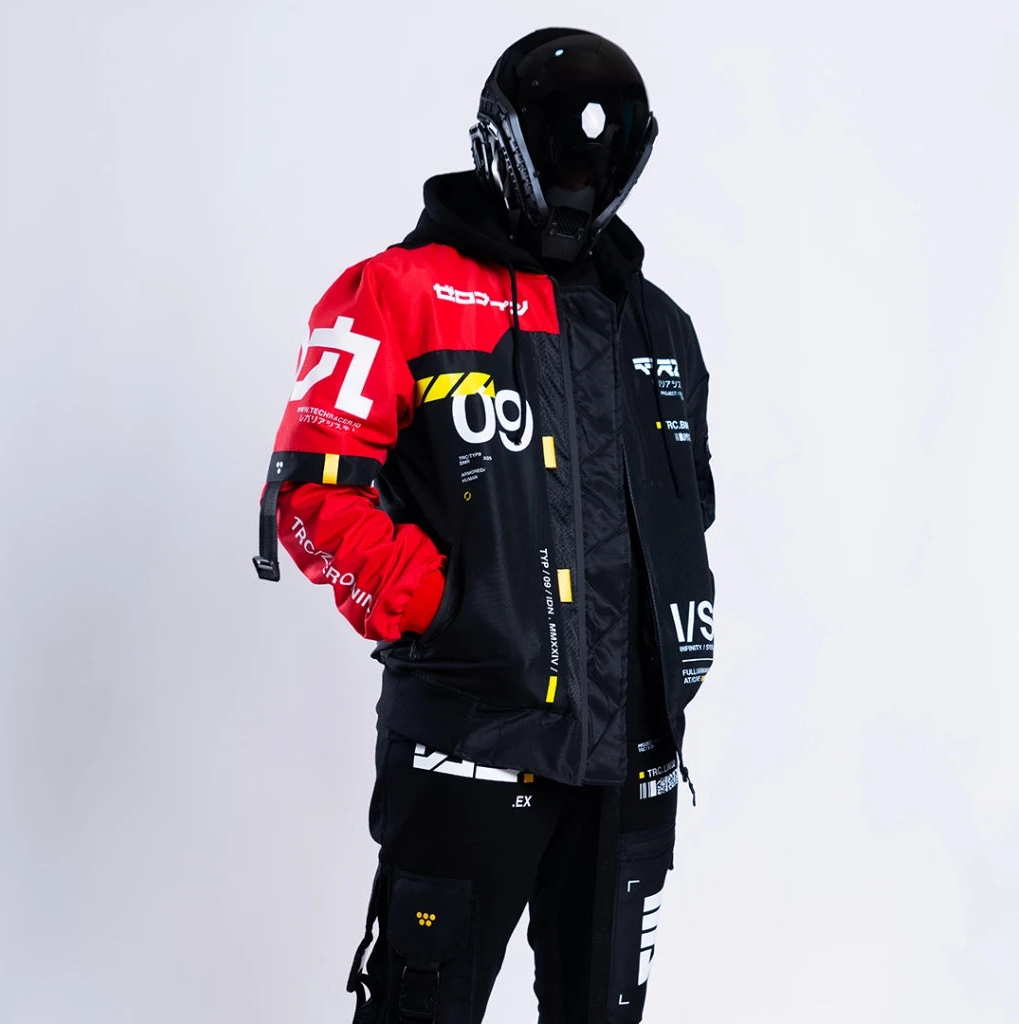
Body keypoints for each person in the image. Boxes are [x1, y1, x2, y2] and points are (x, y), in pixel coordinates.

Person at [254, 26, 716, 1024]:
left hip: (632, 762)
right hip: (469, 747)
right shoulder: (398, 295)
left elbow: (691, 511)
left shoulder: (660, 327)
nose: (580, 177)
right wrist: (448, 613)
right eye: (560, 151)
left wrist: (677, 648)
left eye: (601, 156)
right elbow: (312, 494)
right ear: (502, 142)